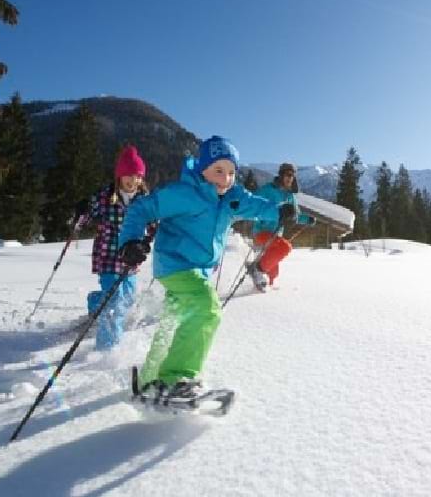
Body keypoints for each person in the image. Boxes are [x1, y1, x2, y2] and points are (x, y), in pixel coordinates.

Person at [117, 135, 296, 398]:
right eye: (218, 170)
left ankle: (148, 379)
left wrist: (278, 212)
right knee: (207, 308)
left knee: (171, 321)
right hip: (175, 265)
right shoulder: (184, 193)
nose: (226, 178)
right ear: (202, 169)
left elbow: (255, 205)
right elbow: (142, 208)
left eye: (232, 172)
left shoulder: (231, 196)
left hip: (198, 271)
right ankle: (176, 378)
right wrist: (130, 240)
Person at [76, 145, 149, 351]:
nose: (132, 180)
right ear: (119, 176)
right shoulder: (104, 197)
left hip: (130, 258)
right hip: (108, 256)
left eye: (136, 176)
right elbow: (84, 219)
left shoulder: (145, 201)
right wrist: (82, 211)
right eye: (127, 175)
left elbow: (154, 224)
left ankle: (95, 301)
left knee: (127, 299)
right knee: (115, 302)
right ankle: (107, 349)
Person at [248, 162, 316, 290]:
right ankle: (255, 269)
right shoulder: (268, 190)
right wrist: (263, 218)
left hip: (276, 234)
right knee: (285, 247)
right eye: (287, 174)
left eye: (292, 175)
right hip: (262, 232)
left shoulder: (291, 196)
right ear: (281, 175)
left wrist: (307, 220)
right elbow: (252, 205)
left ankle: (260, 294)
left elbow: (295, 216)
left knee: (273, 275)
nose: (290, 178)